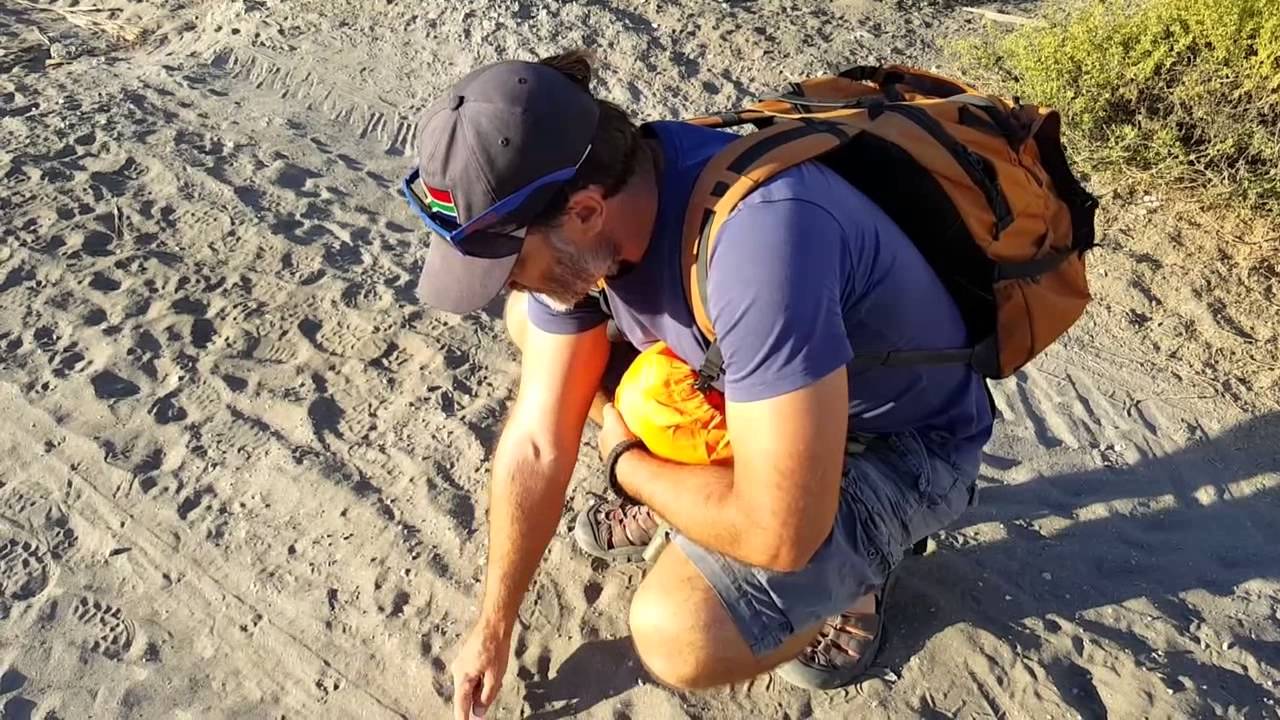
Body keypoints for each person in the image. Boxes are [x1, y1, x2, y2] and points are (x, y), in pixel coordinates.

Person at [403, 50, 994, 719]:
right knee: (531, 322)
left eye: (509, 262)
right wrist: (493, 623)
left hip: (905, 443)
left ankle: (855, 580)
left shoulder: (758, 247)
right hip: (770, 387)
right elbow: (539, 440)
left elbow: (779, 536)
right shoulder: (618, 190)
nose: (505, 280)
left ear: (586, 211)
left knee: (678, 634)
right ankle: (702, 496)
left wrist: (629, 463)